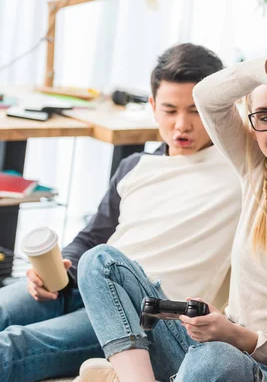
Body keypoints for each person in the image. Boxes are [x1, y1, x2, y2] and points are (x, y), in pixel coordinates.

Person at [76, 0, 267, 381]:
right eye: (266, 116)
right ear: (253, 124)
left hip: (266, 371)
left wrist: (238, 336)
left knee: (215, 358)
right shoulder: (257, 171)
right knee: (99, 262)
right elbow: (208, 95)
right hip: (214, 346)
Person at [0, 43, 242, 382]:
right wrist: (56, 268)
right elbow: (92, 237)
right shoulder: (135, 166)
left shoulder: (242, 171)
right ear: (154, 107)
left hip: (138, 315)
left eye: (196, 111)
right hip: (81, 285)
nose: (181, 125)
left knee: (12, 346)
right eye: (170, 110)